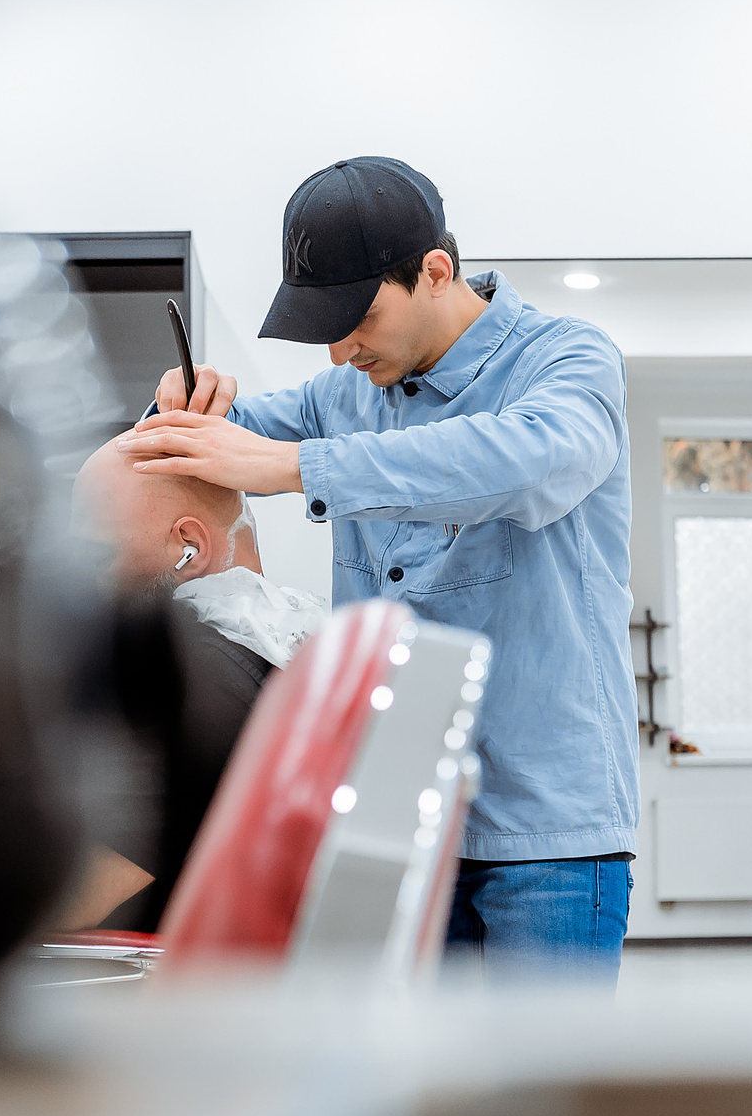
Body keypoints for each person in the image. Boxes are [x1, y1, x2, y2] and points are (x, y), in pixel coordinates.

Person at [123, 157, 636, 984]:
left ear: (436, 270)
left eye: (356, 316)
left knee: (538, 1101)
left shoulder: (567, 361)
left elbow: (535, 457)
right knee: (411, 1097)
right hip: (401, 829)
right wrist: (177, 415)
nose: (338, 347)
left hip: (547, 833)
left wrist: (297, 467)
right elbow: (214, 443)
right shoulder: (343, 394)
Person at [52, 433, 328, 932]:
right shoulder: (287, 653)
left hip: (153, 991)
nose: (85, 587)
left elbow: (73, 898)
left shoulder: (179, 680)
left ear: (191, 547)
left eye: (98, 559)